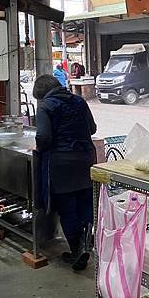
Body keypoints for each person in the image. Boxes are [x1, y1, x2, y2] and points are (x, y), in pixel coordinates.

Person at [33, 74, 97, 271]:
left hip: (62, 164)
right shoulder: (79, 101)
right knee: (85, 204)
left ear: (41, 94)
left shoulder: (45, 106)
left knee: (68, 208)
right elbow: (92, 129)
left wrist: (39, 148)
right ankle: (87, 245)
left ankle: (77, 251)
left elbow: (43, 137)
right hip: (86, 159)